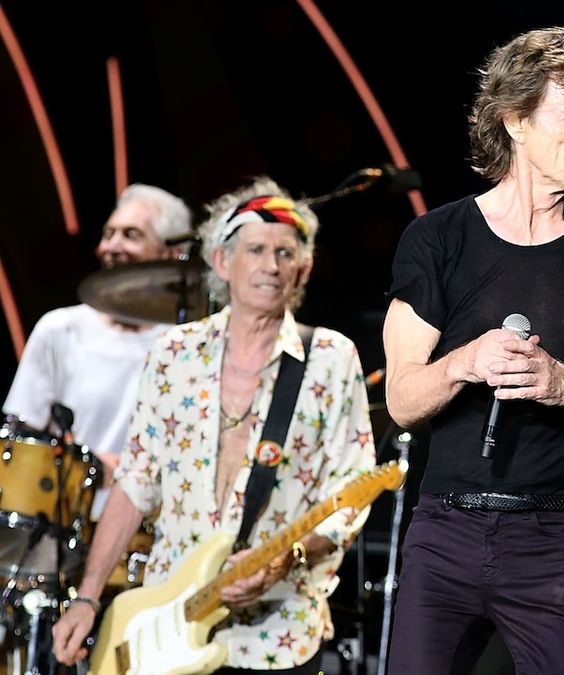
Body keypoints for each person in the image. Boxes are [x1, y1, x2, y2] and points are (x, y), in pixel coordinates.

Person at [382, 26, 564, 674]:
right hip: (444, 529)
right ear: (515, 120)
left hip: (555, 540)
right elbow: (401, 401)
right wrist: (464, 361)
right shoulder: (436, 239)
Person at [51, 177, 376, 674]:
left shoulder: (330, 358)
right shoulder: (172, 354)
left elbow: (351, 495)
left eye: (286, 253)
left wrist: (285, 560)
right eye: (256, 250)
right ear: (222, 262)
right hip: (164, 623)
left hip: (277, 635)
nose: (271, 266)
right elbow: (134, 484)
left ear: (305, 268)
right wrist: (88, 598)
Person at [4, 183, 192, 483]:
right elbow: (18, 442)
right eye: (108, 234)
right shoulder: (60, 329)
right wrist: (86, 465)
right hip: (70, 520)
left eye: (132, 235)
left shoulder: (187, 344)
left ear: (172, 254)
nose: (112, 247)